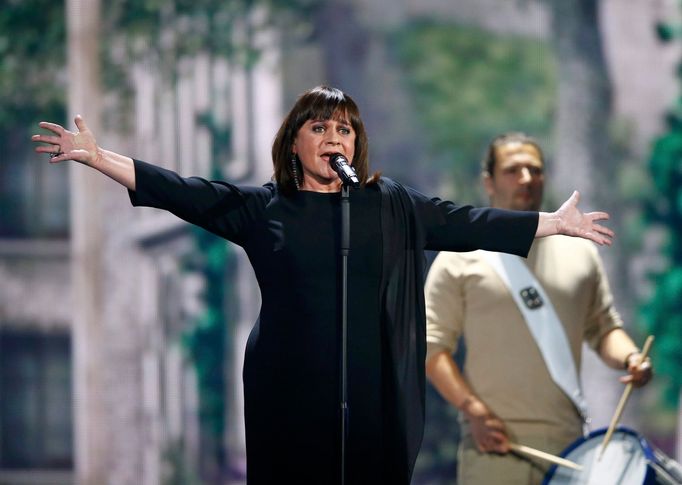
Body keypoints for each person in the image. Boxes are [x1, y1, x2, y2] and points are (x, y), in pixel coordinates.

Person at [33, 88, 614, 485]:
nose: (334, 137)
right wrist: (96, 155)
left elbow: (464, 221)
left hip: (366, 395)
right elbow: (182, 190)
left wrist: (553, 223)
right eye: (320, 127)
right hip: (288, 391)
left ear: (356, 144)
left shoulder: (387, 208)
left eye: (344, 129)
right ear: (295, 142)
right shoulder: (266, 210)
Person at [424, 132, 653, 485]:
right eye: (513, 170)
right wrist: (473, 411)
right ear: (488, 181)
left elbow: (604, 329)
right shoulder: (461, 254)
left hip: (571, 448)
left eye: (535, 169)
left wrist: (631, 358)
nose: (527, 179)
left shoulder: (580, 252)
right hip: (494, 445)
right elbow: (432, 349)